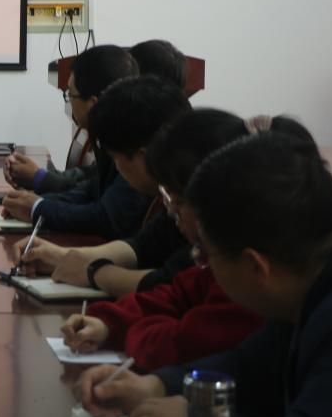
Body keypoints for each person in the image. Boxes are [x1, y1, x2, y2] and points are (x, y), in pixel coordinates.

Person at [74, 129, 332, 417]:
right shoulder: (300, 294)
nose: (203, 267)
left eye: (203, 254)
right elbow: (249, 365)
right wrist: (157, 385)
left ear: (256, 267)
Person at [58, 109, 281, 370]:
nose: (172, 213)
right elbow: (176, 293)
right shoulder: (222, 250)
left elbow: (184, 343)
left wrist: (130, 329)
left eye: (178, 202)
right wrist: (109, 322)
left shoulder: (242, 267)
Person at [12, 75, 192, 289]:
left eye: (116, 159)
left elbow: (173, 283)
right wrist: (63, 257)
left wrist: (94, 273)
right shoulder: (172, 189)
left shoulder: (197, 200)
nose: (117, 168)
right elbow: (142, 247)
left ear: (144, 157)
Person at [5, 74, 180, 240]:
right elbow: (139, 247)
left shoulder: (180, 206)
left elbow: (106, 218)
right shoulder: (167, 193)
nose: (116, 166)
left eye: (70, 94)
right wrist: (35, 204)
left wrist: (38, 207)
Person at [4, 44, 138, 195]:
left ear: (93, 103)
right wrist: (38, 177)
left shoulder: (129, 155)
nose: (69, 102)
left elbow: (97, 203)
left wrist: (37, 187)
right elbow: (89, 179)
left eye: (70, 95)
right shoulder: (111, 140)